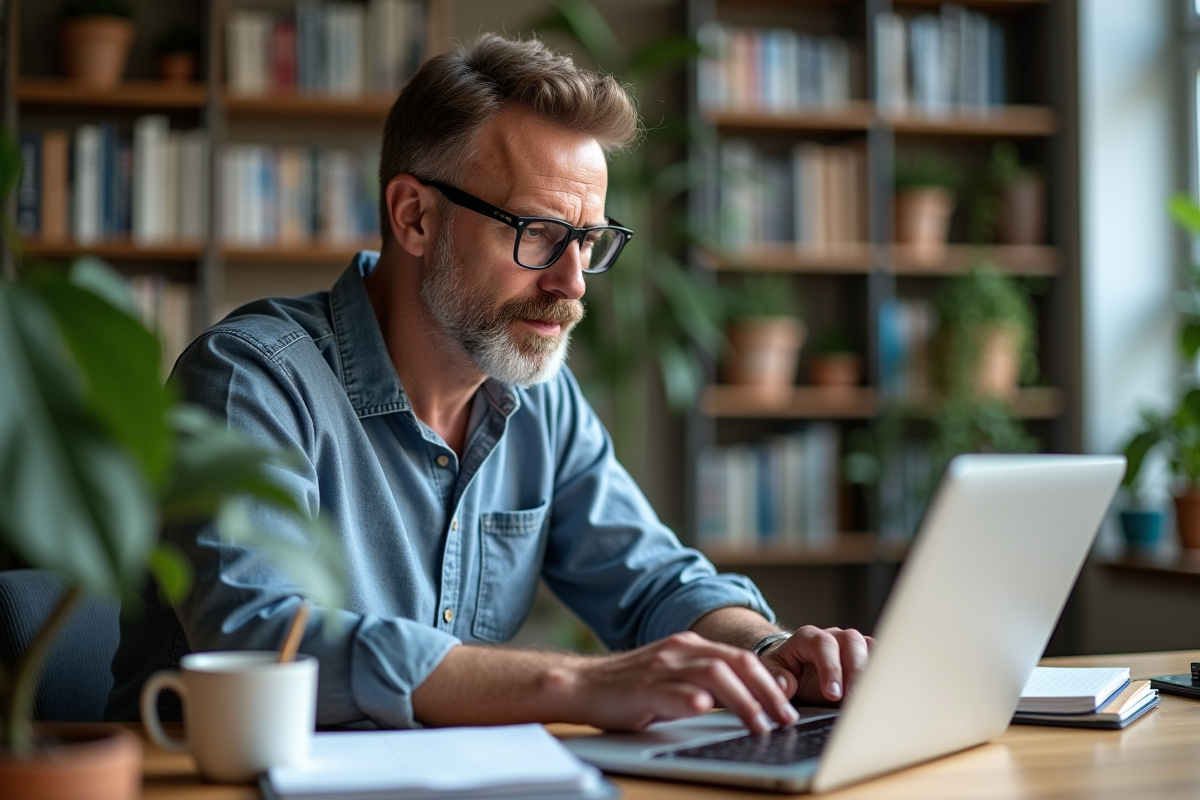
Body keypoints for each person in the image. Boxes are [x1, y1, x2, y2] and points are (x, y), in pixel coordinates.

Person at [106, 33, 870, 735]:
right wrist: (575, 683)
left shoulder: (540, 396)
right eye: (538, 232)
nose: (572, 284)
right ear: (415, 218)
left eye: (589, 240)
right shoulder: (251, 379)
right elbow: (261, 635)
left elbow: (652, 582)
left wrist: (763, 647)